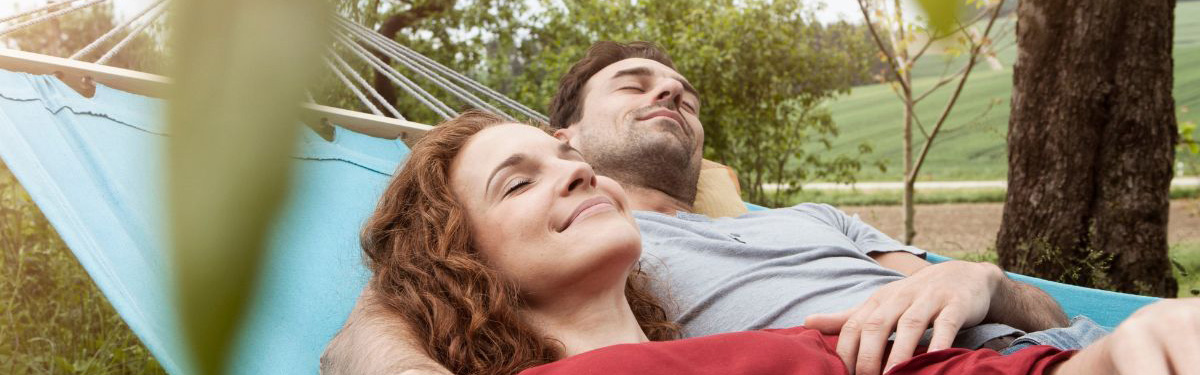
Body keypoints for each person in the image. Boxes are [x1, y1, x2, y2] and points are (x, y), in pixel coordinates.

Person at [325, 41, 1084, 375]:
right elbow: (397, 295)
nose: (670, 93)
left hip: (1047, 345)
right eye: (634, 83)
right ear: (571, 134)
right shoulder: (588, 252)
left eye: (683, 93)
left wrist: (977, 278)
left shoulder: (814, 218)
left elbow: (1044, 312)